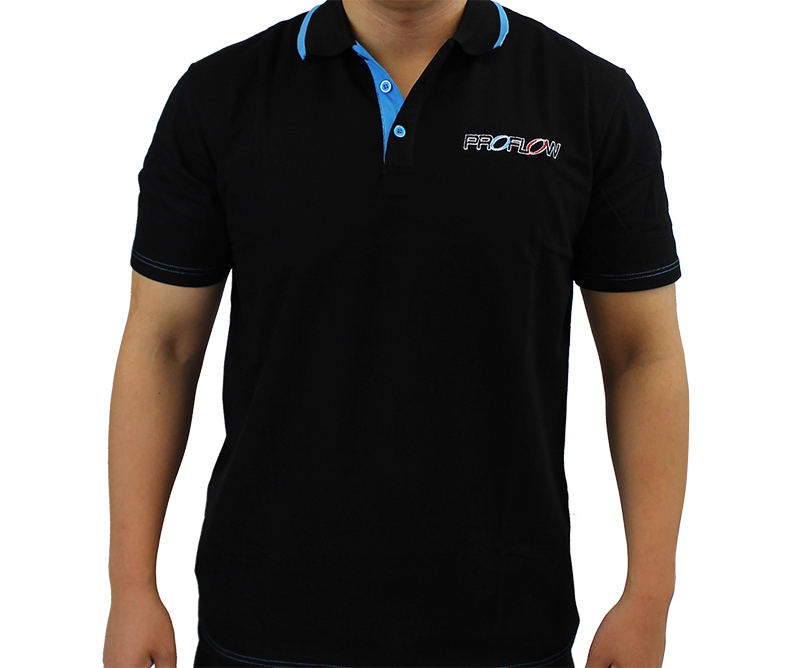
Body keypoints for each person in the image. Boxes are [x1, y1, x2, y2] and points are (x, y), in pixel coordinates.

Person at [103, 1, 689, 666]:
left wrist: (649, 598)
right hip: (265, 622)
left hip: (505, 624)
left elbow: (641, 354)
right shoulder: (220, 95)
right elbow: (164, 346)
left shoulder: (586, 99)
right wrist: (132, 587)